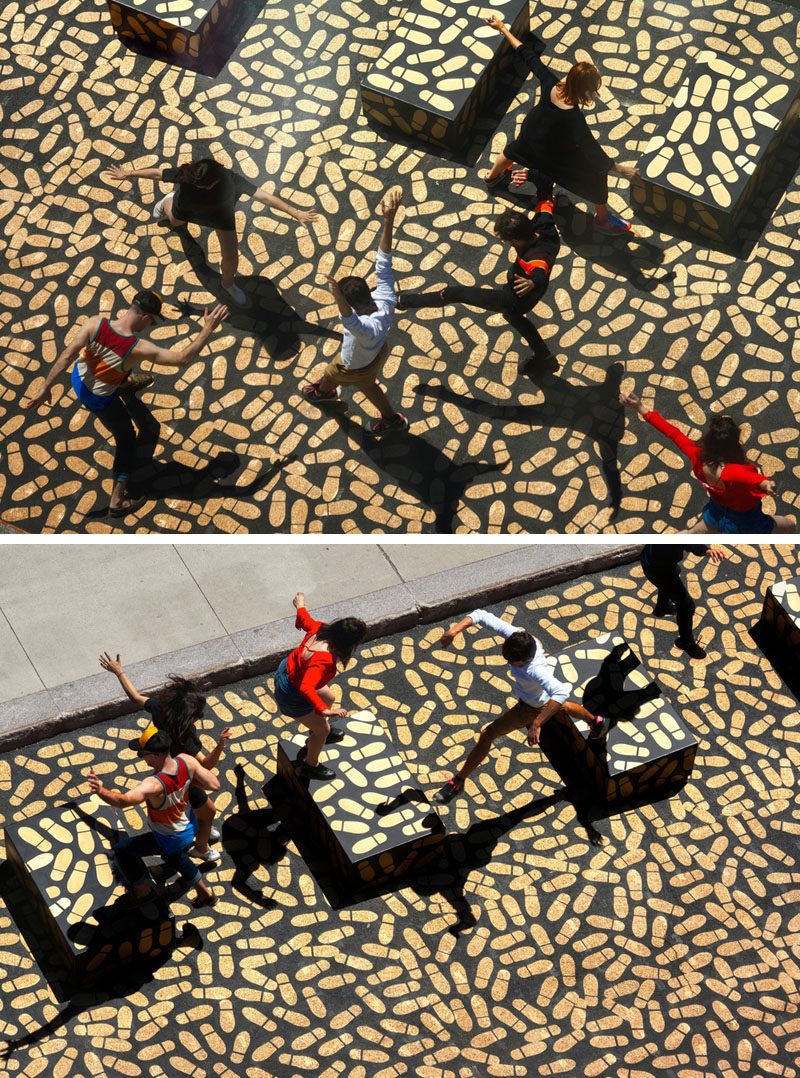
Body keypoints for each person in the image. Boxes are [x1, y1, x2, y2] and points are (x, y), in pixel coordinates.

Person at [23, 293, 228, 515]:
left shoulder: (95, 323)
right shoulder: (139, 348)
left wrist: (46, 387)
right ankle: (117, 501)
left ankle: (125, 383)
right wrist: (208, 328)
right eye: (152, 321)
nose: (150, 325)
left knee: (117, 364)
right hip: (99, 398)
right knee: (127, 437)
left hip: (79, 378)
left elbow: (66, 356)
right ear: (145, 317)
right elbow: (182, 359)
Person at [431, 608, 607, 804]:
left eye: (512, 662)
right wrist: (455, 630)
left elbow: (560, 692)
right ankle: (597, 722)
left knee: (487, 734)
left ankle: (458, 782)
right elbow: (482, 615)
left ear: (526, 660)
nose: (509, 664)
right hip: (535, 697)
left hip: (531, 707)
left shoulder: (535, 669)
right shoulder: (519, 638)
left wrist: (537, 723)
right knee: (561, 706)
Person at [482, 15, 640, 233]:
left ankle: (491, 178)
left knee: (513, 150)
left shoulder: (551, 83)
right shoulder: (573, 118)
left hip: (531, 133)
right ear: (586, 89)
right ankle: (602, 218)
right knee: (596, 179)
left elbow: (527, 55)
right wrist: (621, 170)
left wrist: (502, 28)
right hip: (551, 151)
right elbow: (592, 151)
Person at [104, 157, 319, 305]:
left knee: (231, 257)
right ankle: (167, 200)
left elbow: (264, 196)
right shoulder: (188, 175)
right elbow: (159, 174)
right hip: (185, 209)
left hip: (220, 218)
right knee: (175, 223)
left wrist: (295, 212)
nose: (200, 186)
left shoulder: (231, 180)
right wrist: (128, 173)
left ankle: (228, 284)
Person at [99, 653, 229, 862]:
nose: (200, 717)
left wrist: (119, 671)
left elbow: (135, 698)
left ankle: (200, 831)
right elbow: (206, 765)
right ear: (187, 716)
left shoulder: (161, 710)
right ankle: (201, 847)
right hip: (183, 777)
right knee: (209, 811)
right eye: (198, 714)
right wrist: (220, 746)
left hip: (169, 770)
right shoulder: (185, 736)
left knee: (201, 811)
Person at [398, 194, 559, 363]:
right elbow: (545, 198)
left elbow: (540, 271)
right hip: (527, 292)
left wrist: (533, 282)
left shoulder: (536, 258)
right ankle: (543, 355)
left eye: (506, 241)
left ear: (516, 240)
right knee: (512, 316)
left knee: (454, 293)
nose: (506, 243)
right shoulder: (544, 227)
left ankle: (403, 301)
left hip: (513, 298)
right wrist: (532, 176)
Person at [301, 189, 407, 435]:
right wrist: (388, 219)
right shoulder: (386, 298)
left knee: (340, 375)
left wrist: (337, 296)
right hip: (376, 352)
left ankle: (390, 420)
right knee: (361, 383)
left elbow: (347, 318)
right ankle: (326, 391)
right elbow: (384, 260)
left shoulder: (361, 326)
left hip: (355, 365)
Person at [620, 392, 795, 533]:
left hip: (716, 512)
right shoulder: (731, 471)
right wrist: (766, 484)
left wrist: (640, 407)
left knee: (691, 534)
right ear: (734, 444)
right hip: (745, 522)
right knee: (788, 525)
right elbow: (750, 478)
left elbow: (672, 433)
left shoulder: (696, 455)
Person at [87, 726, 220, 911]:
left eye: (143, 754)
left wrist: (101, 790)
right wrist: (187, 781)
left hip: (168, 836)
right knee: (176, 859)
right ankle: (205, 894)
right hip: (189, 826)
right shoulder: (186, 761)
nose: (142, 758)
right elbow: (215, 784)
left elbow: (124, 801)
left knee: (122, 851)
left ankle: (143, 892)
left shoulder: (154, 784)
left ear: (156, 756)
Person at [273, 592, 366, 780]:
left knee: (329, 697)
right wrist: (324, 711)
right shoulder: (323, 659)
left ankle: (317, 732)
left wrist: (300, 605)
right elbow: (307, 686)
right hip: (293, 692)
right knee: (323, 729)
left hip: (289, 672)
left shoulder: (320, 629)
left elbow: (304, 619)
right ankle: (310, 764)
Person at [640, 545, 727, 659]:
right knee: (686, 605)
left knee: (675, 572)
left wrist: (706, 550)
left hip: (652, 561)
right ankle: (686, 642)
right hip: (659, 570)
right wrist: (706, 550)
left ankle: (662, 607)